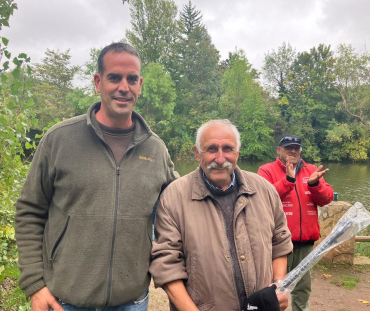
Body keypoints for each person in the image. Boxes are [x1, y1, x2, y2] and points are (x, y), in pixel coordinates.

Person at [15, 42, 178, 311]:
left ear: (140, 85)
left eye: (132, 79)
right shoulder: (59, 140)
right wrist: (35, 285)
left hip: (132, 301)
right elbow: (29, 211)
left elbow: (178, 210)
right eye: (114, 77)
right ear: (98, 82)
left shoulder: (156, 149)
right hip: (64, 301)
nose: (123, 87)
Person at [149, 120, 293, 311]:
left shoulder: (264, 190)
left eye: (227, 148)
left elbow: (280, 244)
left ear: (237, 152)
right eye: (211, 149)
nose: (219, 158)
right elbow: (166, 264)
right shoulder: (174, 197)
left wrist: (278, 285)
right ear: (197, 153)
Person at [257, 135, 334, 311]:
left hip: (305, 244)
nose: (293, 151)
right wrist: (288, 181)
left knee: (302, 290)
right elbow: (262, 198)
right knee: (274, 290)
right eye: (288, 148)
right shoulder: (266, 170)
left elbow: (327, 198)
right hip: (277, 244)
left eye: (296, 148)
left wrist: (315, 185)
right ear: (278, 150)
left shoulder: (311, 170)